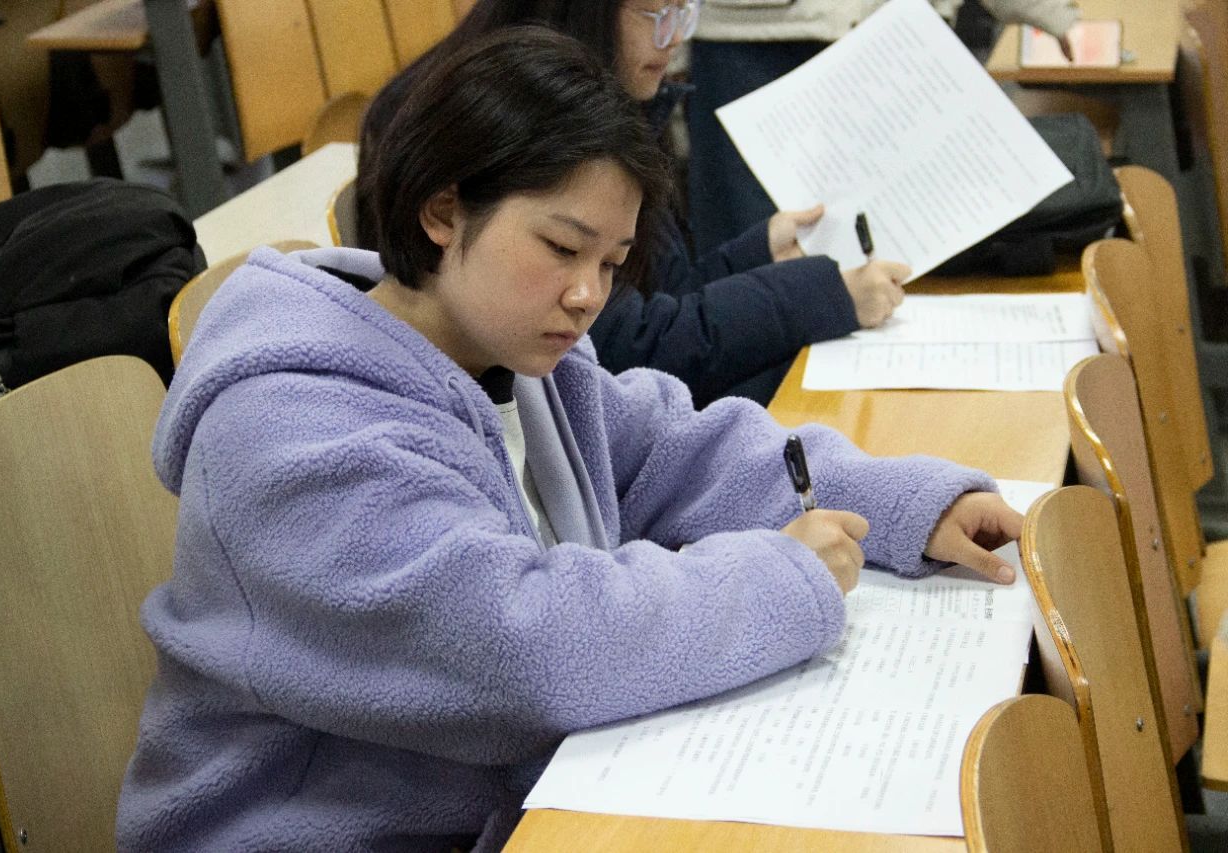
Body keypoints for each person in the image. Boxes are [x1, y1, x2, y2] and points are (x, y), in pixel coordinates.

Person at [117, 27, 1023, 851]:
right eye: (561, 247)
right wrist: (779, 576)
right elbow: (525, 646)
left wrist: (902, 504)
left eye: (610, 262)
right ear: (442, 212)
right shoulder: (288, 429)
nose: (588, 294)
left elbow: (676, 450)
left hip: (523, 806)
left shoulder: (512, 352)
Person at [362, 0, 910, 408]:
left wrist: (755, 253)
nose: (674, 39)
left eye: (685, 13)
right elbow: (629, 346)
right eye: (657, 14)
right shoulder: (497, 123)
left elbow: (656, 297)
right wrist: (824, 294)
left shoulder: (615, 109)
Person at [687, 0, 1082, 254]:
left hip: (894, 34)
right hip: (748, 40)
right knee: (751, 245)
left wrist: (1051, 11)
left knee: (907, 241)